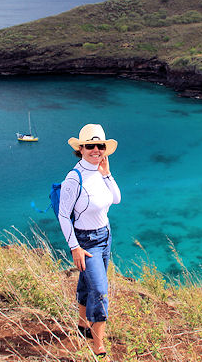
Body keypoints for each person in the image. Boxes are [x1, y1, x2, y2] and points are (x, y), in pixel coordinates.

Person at [58, 123, 121, 357]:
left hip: (105, 236)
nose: (96, 149)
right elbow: (63, 215)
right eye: (90, 146)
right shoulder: (74, 178)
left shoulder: (100, 173)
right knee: (101, 291)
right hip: (86, 241)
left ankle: (82, 325)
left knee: (87, 283)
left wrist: (107, 173)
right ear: (81, 149)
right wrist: (75, 246)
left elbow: (116, 199)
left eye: (100, 146)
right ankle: (98, 344)